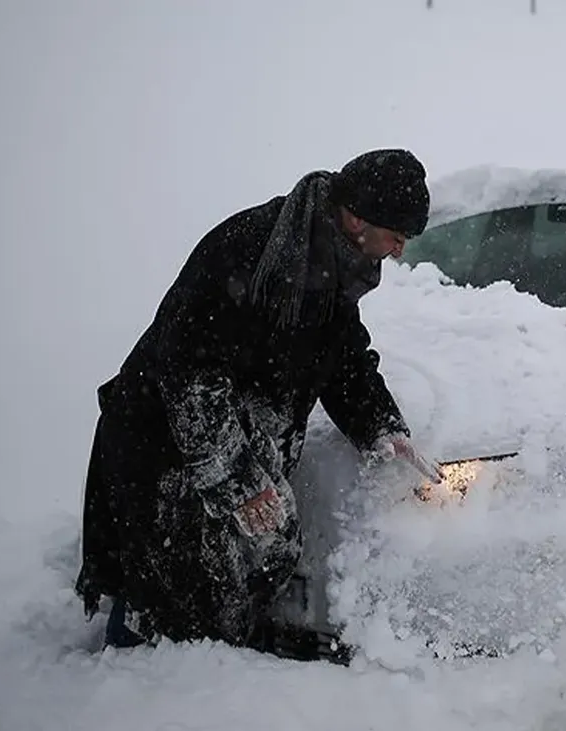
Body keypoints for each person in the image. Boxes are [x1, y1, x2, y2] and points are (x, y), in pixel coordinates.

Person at [75, 148, 445, 659]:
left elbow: (342, 359)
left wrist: (383, 427)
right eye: (397, 236)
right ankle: (125, 683)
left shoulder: (334, 262)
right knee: (166, 594)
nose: (400, 251)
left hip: (227, 442)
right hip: (166, 448)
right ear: (357, 218)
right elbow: (191, 383)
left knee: (244, 567)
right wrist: (244, 485)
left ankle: (211, 667)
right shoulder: (252, 252)